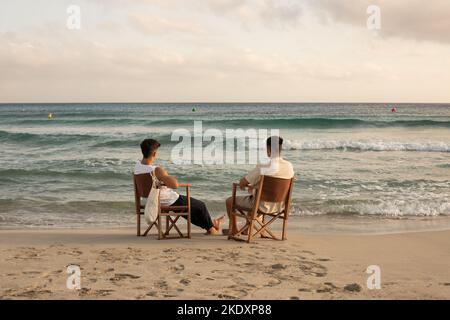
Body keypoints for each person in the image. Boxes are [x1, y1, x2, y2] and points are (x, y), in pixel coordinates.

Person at [134, 139, 224, 235]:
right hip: (166, 201)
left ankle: (211, 227)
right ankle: (212, 229)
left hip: (147, 201)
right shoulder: (156, 170)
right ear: (155, 154)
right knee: (200, 206)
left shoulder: (137, 167)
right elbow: (175, 185)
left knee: (189, 208)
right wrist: (165, 174)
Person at [226, 136, 295, 234]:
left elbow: (243, 182)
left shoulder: (264, 165)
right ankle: (247, 229)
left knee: (229, 201)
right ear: (280, 149)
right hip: (280, 206)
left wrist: (247, 185)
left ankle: (234, 230)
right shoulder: (289, 166)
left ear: (268, 149)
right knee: (257, 195)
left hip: (261, 206)